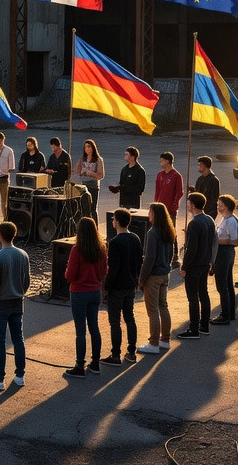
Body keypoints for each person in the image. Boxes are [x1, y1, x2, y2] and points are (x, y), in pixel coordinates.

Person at [0, 221, 29, 390]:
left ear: (0, 236)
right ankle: (20, 375)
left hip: (1, 304)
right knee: (18, 338)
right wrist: (19, 292)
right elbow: (26, 281)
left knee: (0, 341)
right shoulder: (23, 254)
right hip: (18, 302)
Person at [64, 216, 107, 377]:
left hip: (79, 292)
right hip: (95, 292)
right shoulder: (101, 248)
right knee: (94, 328)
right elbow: (104, 271)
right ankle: (95, 363)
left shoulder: (77, 249)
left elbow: (70, 275)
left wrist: (66, 270)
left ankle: (79, 365)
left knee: (80, 331)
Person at [102, 208, 142, 365]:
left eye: (113, 219)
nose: (112, 221)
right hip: (131, 284)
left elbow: (113, 268)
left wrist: (106, 287)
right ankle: (131, 352)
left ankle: (115, 354)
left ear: (116, 222)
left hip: (117, 286)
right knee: (130, 317)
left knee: (115, 321)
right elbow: (139, 262)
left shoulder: (115, 242)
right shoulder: (136, 238)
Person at [136, 202, 175, 355]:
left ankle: (153, 343)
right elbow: (171, 253)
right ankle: (165, 339)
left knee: (152, 310)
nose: (148, 214)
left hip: (153, 275)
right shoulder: (168, 231)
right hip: (165, 273)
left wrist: (142, 278)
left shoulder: (152, 233)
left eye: (150, 212)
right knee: (163, 306)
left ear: (155, 214)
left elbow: (149, 258)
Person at [178, 192, 217, 340]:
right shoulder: (209, 220)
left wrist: (184, 267)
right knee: (203, 294)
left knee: (193, 298)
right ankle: (204, 326)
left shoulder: (194, 224)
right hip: (205, 263)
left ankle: (194, 329)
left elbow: (192, 249)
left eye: (188, 203)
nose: (187, 205)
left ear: (193, 205)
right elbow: (213, 244)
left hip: (194, 266)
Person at [211, 195, 238, 325]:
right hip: (223, 253)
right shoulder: (225, 218)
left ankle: (225, 315)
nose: (218, 207)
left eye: (220, 205)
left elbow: (234, 241)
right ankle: (230, 313)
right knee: (227, 283)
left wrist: (215, 241)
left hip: (225, 253)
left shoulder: (231, 221)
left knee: (222, 285)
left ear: (227, 206)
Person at [75, 139, 105, 220]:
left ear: (93, 148)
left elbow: (101, 175)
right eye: (85, 147)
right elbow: (76, 171)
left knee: (92, 208)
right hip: (83, 186)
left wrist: (90, 173)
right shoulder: (82, 159)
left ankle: (95, 228)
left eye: (89, 147)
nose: (87, 149)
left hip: (93, 186)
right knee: (83, 208)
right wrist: (80, 171)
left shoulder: (98, 159)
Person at [154, 152, 183, 221]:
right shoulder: (159, 175)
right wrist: (155, 203)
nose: (160, 162)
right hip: (160, 208)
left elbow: (180, 192)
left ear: (167, 161)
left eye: (162, 160)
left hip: (171, 210)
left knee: (170, 230)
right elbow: (157, 191)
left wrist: (174, 206)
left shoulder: (176, 176)